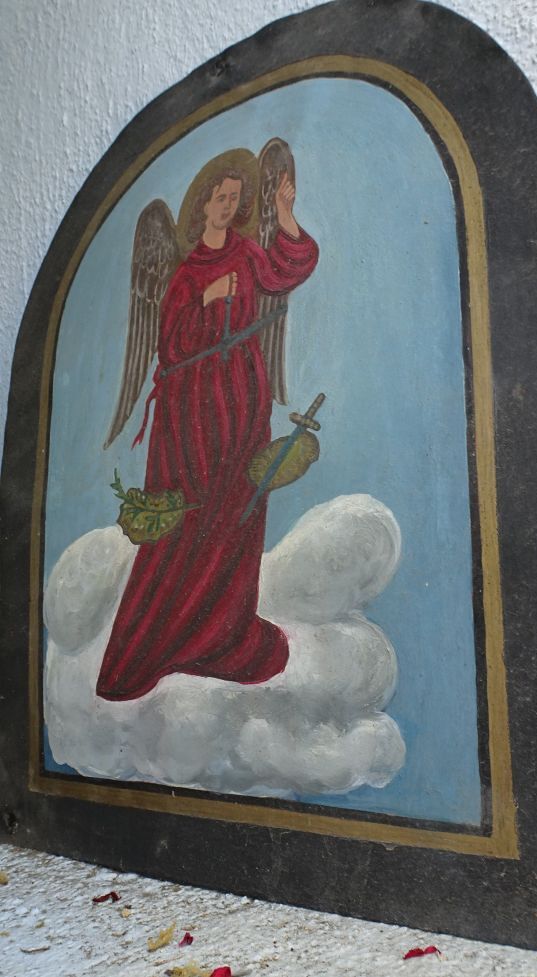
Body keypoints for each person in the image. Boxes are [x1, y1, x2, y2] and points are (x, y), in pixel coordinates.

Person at [96, 160, 318, 701]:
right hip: (190, 414)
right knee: (190, 516)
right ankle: (154, 645)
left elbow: (285, 272)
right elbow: (171, 347)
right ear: (202, 204)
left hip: (243, 400)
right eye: (220, 198)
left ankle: (222, 635)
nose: (228, 207)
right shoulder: (186, 271)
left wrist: (285, 214)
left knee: (237, 513)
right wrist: (207, 297)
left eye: (235, 199)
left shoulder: (246, 253)